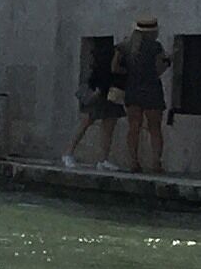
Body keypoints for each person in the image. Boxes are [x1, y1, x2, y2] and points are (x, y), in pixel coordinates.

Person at [118, 17, 170, 173]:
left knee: (134, 126)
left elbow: (115, 67)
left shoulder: (125, 46)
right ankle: (156, 163)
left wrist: (131, 73)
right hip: (152, 88)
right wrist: (169, 61)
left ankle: (133, 161)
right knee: (155, 128)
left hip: (133, 88)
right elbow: (159, 70)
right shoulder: (156, 47)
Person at [66, 36, 122, 169]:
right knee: (86, 123)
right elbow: (101, 76)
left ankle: (103, 159)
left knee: (108, 128)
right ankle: (68, 153)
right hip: (101, 94)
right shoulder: (106, 59)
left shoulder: (111, 57)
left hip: (110, 94)